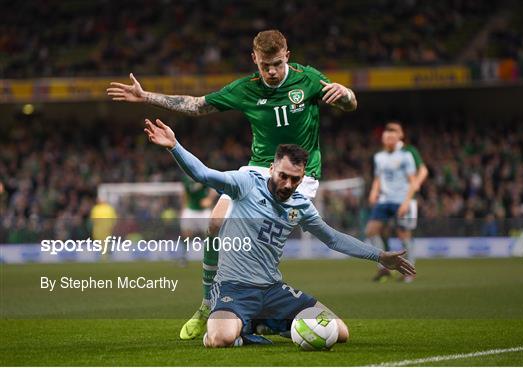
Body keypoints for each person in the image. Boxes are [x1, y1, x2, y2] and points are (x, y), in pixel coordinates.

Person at [107, 29, 358, 339]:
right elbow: (198, 105)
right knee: (214, 223)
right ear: (254, 59)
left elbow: (350, 105)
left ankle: (259, 313)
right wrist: (146, 97)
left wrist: (344, 93)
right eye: (265, 65)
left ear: (288, 57)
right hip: (256, 170)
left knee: (261, 241)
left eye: (277, 64)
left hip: (299, 177)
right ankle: (208, 304)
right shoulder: (246, 89)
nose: (271, 72)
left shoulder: (308, 79)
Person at [143, 118, 415, 347]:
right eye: (282, 175)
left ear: (302, 176)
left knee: (339, 333)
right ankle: (242, 327)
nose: (287, 183)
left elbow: (332, 238)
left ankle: (259, 323)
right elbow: (203, 174)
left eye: (295, 179)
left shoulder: (300, 205)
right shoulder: (246, 184)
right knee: (218, 339)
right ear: (271, 168)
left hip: (273, 290)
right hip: (233, 288)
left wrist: (379, 255)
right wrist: (174, 147)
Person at [372, 121, 428, 282]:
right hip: (387, 199)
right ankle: (384, 267)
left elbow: (423, 170)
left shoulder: (409, 151)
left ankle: (409, 271)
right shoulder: (385, 153)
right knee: (379, 231)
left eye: (395, 130)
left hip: (405, 199)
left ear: (401, 134)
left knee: (404, 233)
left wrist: (415, 184)